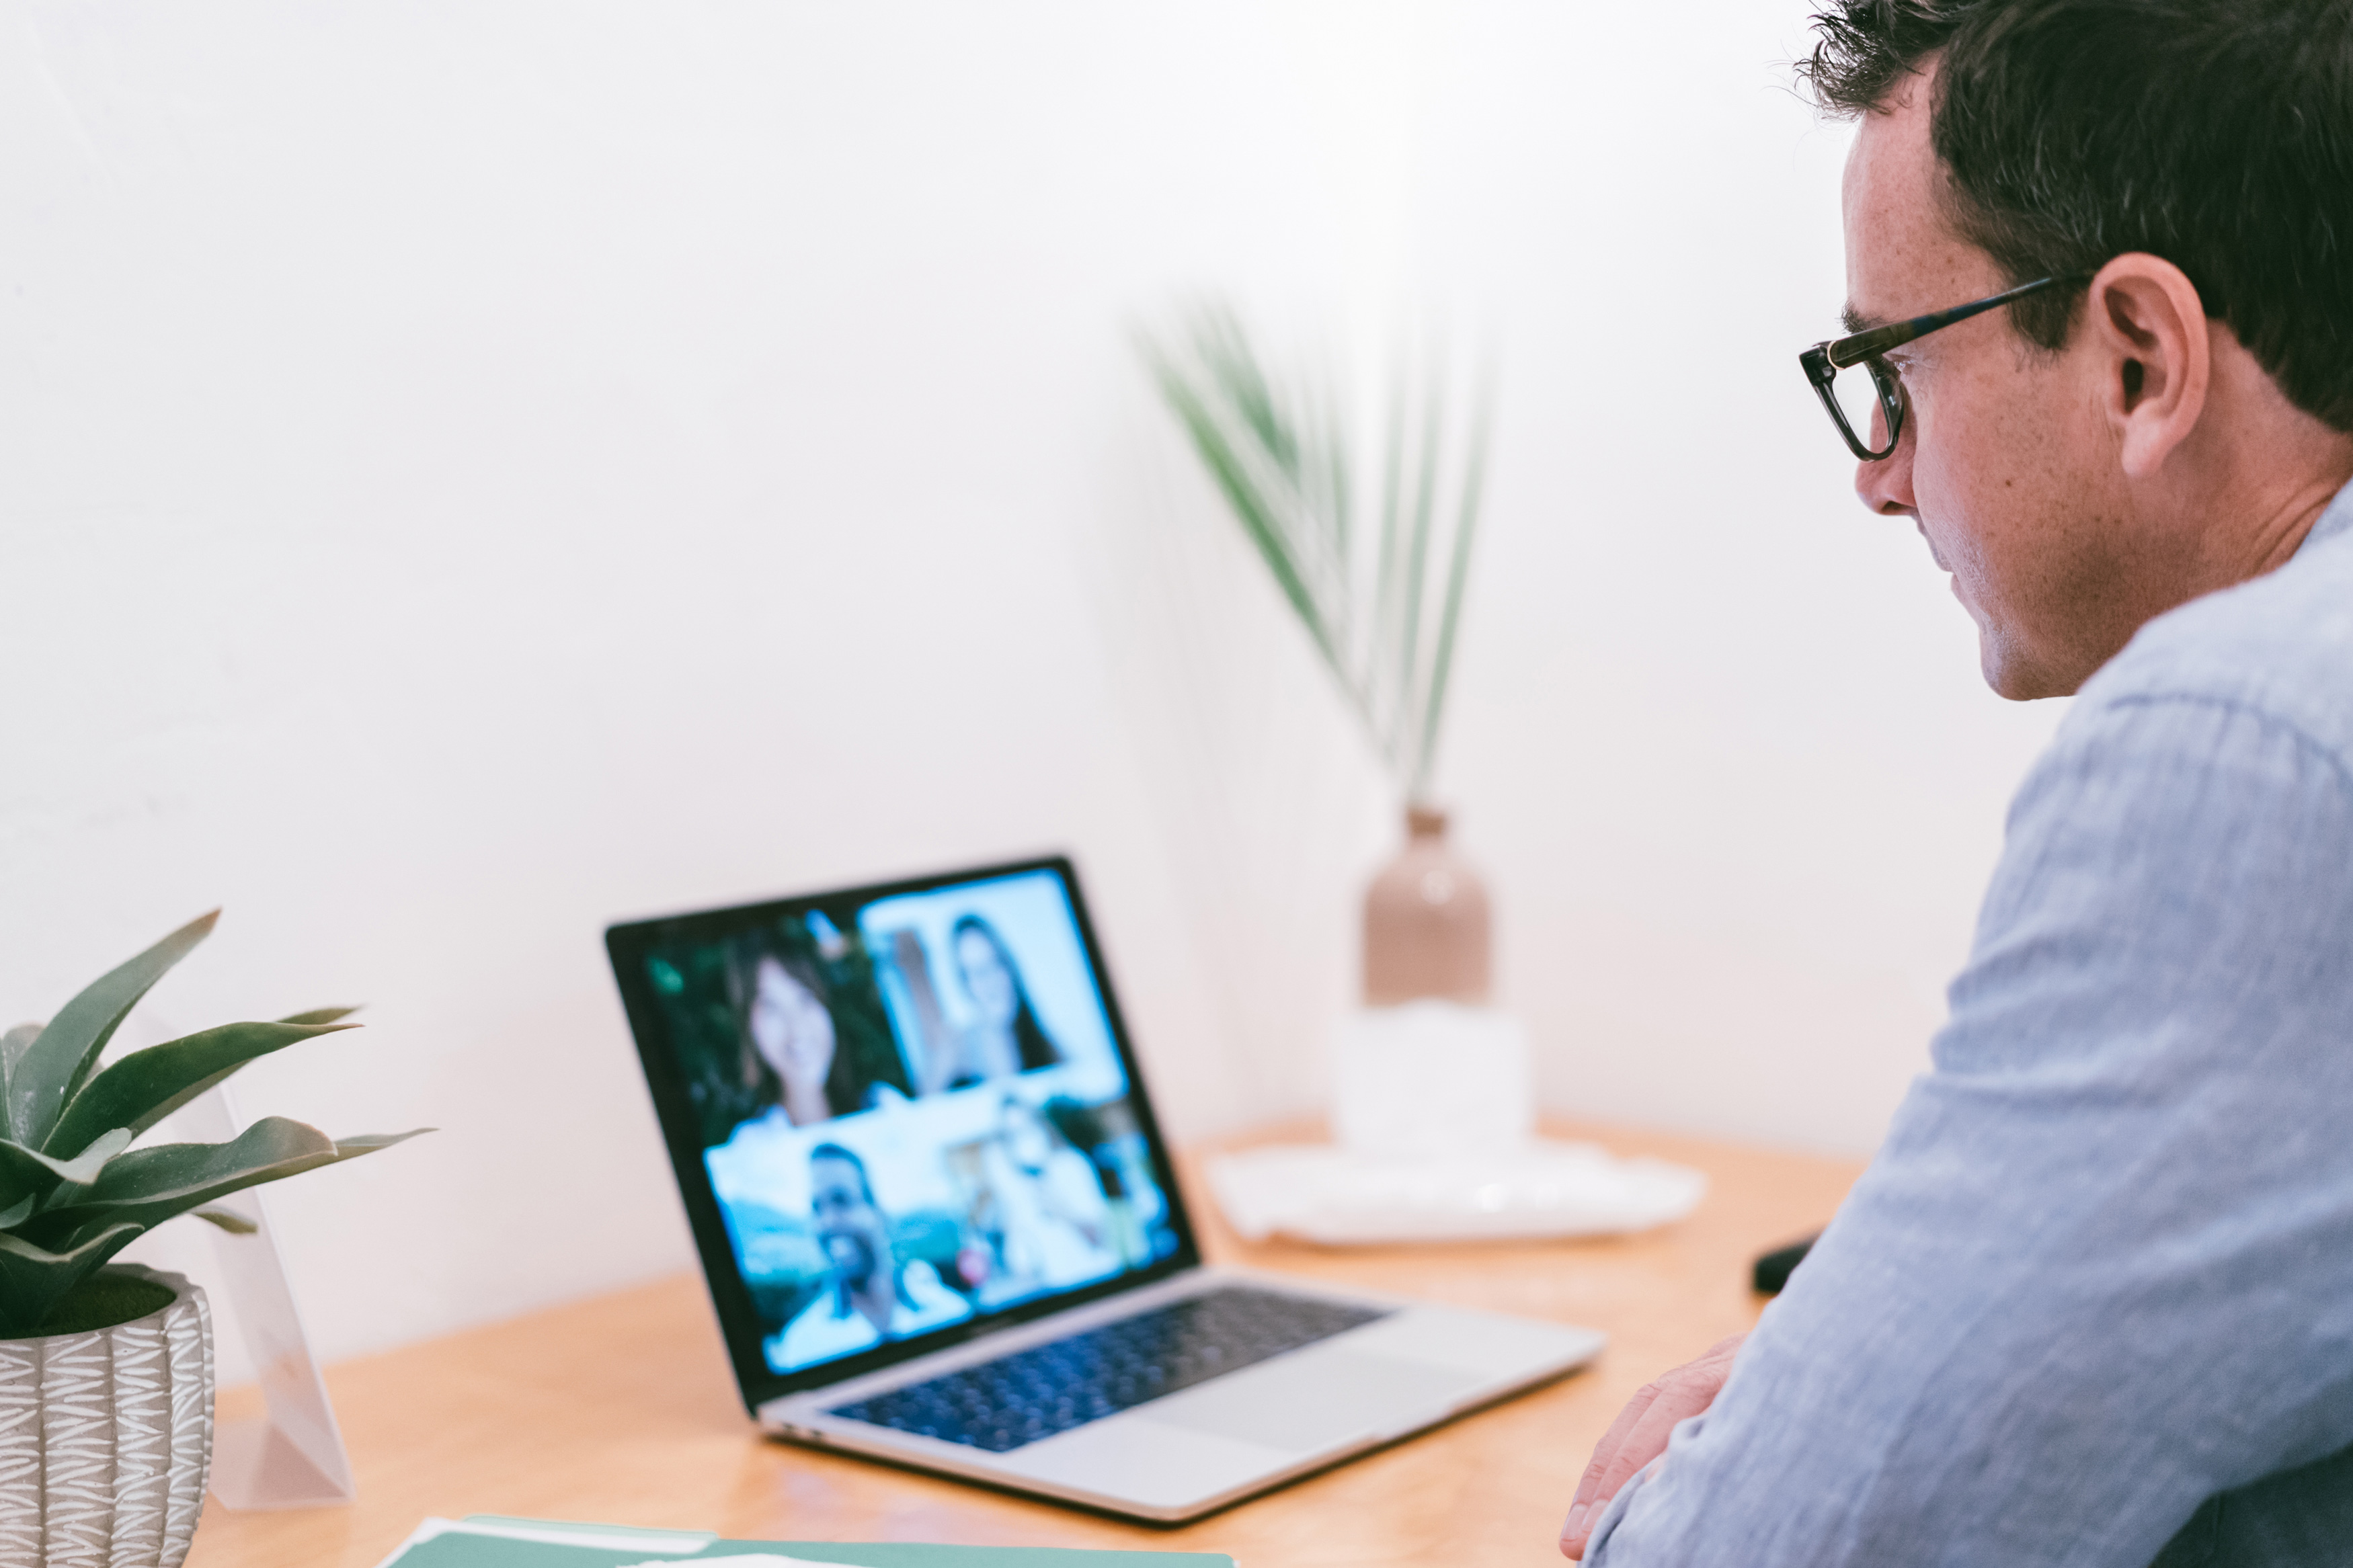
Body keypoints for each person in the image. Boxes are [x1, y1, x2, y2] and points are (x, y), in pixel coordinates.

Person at [1561, 3, 2353, 1563]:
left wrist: (1773, 1425)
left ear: (2140, 359)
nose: (1878, 472)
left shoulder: (2249, 744)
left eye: (1889, 372)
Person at [768, 1143, 970, 1370]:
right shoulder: (801, 1347)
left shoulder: (950, 1311)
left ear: (879, 1215)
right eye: (817, 1208)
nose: (827, 1222)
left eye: (841, 1200)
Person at [979, 1096, 1117, 1294]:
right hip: (1057, 1291)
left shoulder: (1071, 1165)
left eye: (1026, 1128)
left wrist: (1060, 1208)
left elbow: (1103, 1238)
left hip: (1099, 1281)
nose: (1023, 1141)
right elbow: (1022, 1268)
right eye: (1012, 1135)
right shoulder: (1015, 1187)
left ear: (1041, 1125)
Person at [932, 915, 1061, 1090]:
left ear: (1009, 967)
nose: (989, 981)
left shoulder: (1045, 1044)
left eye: (994, 963)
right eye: (977, 972)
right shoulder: (959, 1051)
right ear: (965, 984)